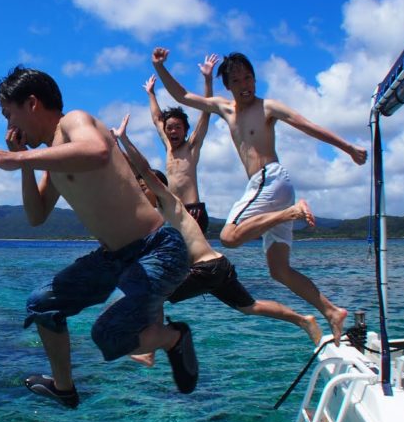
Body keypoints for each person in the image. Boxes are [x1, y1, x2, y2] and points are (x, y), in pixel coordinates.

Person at [0, 65, 197, 407]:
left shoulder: (74, 121)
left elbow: (97, 151)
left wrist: (17, 156)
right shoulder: (50, 159)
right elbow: (36, 216)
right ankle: (64, 388)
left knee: (107, 335)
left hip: (157, 249)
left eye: (9, 115)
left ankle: (174, 337)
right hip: (111, 258)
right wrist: (25, 164)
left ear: (32, 104)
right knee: (41, 304)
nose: (8, 128)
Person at [149, 47, 368, 343]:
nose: (245, 85)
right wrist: (160, 68)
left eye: (249, 78)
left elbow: (307, 125)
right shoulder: (225, 109)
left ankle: (293, 213)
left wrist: (348, 148)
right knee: (279, 270)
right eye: (237, 81)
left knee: (228, 236)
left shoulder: (267, 107)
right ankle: (331, 311)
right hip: (272, 189)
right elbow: (182, 97)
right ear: (228, 86)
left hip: (270, 179)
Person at [113, 114, 322, 355]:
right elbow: (135, 174)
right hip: (217, 266)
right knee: (250, 306)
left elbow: (143, 169)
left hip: (206, 270)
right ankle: (303, 320)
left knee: (154, 292)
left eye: (144, 187)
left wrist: (123, 140)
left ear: (158, 187)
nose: (141, 191)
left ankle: (150, 348)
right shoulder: (156, 219)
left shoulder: (169, 203)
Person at [143, 54, 217, 234]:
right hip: (174, 211)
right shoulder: (168, 148)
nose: (173, 131)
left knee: (193, 255)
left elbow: (206, 111)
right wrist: (151, 94)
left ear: (185, 130)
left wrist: (207, 79)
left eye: (178, 127)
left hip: (194, 210)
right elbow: (156, 119)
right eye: (170, 128)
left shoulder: (191, 147)